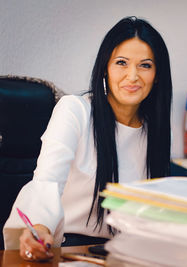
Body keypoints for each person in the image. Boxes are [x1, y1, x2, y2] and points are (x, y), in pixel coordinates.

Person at [2, 16, 172, 261]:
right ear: (105, 68)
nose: (133, 76)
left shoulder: (154, 131)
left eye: (145, 65)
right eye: (121, 63)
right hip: (68, 250)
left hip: (126, 255)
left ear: (157, 75)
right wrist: (40, 228)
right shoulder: (75, 110)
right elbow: (48, 179)